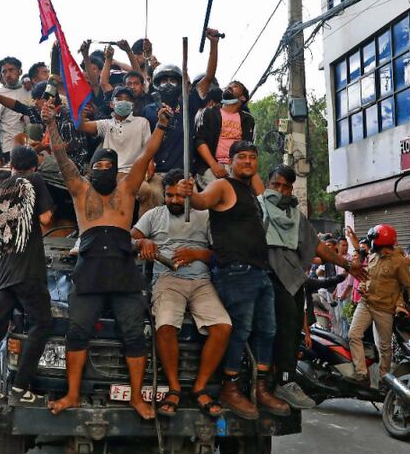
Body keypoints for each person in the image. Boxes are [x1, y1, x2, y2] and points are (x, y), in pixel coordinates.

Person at [43, 100, 171, 419]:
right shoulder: (80, 189)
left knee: (133, 335)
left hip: (123, 269)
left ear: (116, 171)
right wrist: (50, 124)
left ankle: (138, 398)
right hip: (89, 271)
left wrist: (163, 125)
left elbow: (147, 155)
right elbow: (61, 157)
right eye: (97, 167)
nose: (102, 171)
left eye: (107, 168)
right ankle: (72, 395)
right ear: (90, 170)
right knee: (77, 332)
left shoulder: (127, 188)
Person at [177, 142, 291, 417]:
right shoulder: (223, 186)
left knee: (267, 331)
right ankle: (230, 387)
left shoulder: (251, 191)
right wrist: (189, 191)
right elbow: (203, 201)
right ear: (230, 162)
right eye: (242, 157)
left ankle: (262, 388)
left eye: (253, 157)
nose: (248, 162)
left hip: (259, 271)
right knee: (240, 331)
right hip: (235, 272)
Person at [131, 169, 232, 418]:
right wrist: (143, 243)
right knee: (165, 325)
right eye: (170, 195)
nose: (175, 200)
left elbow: (221, 254)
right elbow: (131, 237)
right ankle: (174, 388)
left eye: (179, 196)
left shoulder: (206, 216)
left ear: (190, 193)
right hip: (167, 279)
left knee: (224, 326)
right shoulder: (154, 215)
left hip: (201, 281)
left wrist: (197, 254)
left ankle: (199, 387)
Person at [260, 165, 361, 409]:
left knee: (292, 330)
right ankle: (265, 381)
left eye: (286, 187)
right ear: (267, 183)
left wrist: (346, 264)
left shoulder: (296, 216)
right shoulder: (257, 207)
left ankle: (285, 381)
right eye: (276, 185)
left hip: (292, 280)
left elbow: (317, 246)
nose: (281, 191)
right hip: (264, 276)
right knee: (268, 331)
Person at [0, 145, 57, 407]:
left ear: (11, 164)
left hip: (5, 274)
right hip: (29, 269)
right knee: (42, 324)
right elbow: (45, 218)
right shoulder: (33, 180)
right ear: (34, 166)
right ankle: (21, 387)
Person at [343, 224, 410, 384]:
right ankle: (362, 374)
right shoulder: (374, 256)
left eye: (373, 240)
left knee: (384, 347)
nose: (371, 243)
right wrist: (363, 286)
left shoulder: (399, 262)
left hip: (385, 309)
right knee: (353, 335)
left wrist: (400, 303)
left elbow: (408, 288)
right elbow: (369, 277)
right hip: (366, 303)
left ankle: (384, 379)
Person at [193, 81, 255, 189]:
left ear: (243, 98)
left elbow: (248, 148)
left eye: (235, 86)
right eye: (228, 86)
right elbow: (199, 141)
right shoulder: (209, 113)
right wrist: (214, 165)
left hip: (236, 167)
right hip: (210, 167)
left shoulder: (247, 120)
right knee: (221, 192)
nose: (229, 87)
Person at [0, 56, 33, 156]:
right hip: (9, 149)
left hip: (33, 146)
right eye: (4, 72)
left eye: (11, 70)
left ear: (19, 72)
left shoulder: (29, 89)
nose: (8, 74)